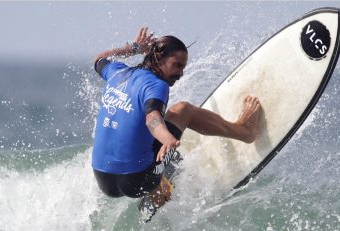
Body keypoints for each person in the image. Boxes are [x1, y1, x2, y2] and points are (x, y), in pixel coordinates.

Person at [92, 27, 261, 209]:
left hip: (104, 181)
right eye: (177, 65)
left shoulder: (117, 73)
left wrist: (135, 48)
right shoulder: (156, 85)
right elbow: (152, 118)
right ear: (158, 59)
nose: (181, 73)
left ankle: (158, 183)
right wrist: (168, 139)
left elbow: (99, 60)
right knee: (182, 110)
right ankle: (245, 132)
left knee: (154, 139)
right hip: (138, 180)